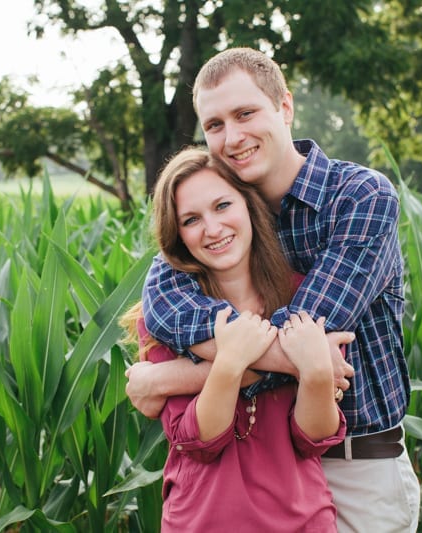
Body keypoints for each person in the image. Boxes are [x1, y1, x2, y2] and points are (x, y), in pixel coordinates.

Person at [126, 47, 420, 532]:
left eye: (245, 113)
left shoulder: (359, 197)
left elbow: (308, 331)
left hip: (357, 468)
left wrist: (165, 378)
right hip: (261, 480)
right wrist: (299, 356)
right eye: (215, 124)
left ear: (284, 107)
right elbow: (163, 307)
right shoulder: (223, 213)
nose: (232, 137)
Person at [121, 146, 346, 532]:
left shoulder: (306, 298)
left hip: (302, 521)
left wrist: (317, 374)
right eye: (191, 219)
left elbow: (314, 438)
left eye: (222, 206)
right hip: (201, 522)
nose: (212, 228)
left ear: (248, 205)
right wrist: (228, 362)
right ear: (177, 235)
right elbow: (199, 440)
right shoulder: (165, 320)